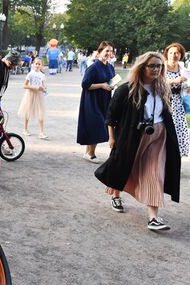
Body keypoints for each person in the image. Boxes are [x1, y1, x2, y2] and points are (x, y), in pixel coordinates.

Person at [95, 52, 181, 231]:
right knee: (125, 164)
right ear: (142, 67)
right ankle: (115, 195)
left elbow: (167, 112)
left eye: (159, 66)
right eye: (152, 66)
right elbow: (111, 117)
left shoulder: (162, 88)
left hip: (159, 135)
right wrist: (112, 138)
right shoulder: (126, 89)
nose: (156, 69)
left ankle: (153, 218)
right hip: (133, 135)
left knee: (155, 173)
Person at [77, 41, 116, 163]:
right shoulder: (93, 67)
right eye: (106, 51)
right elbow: (85, 84)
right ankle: (91, 153)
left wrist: (111, 85)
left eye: (111, 51)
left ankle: (88, 153)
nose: (109, 53)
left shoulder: (110, 67)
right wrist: (102, 85)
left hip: (104, 100)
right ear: (99, 52)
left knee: (98, 124)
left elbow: (111, 81)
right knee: (96, 125)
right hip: (92, 100)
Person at [164, 42, 189, 157]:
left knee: (179, 129)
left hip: (178, 102)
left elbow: (185, 81)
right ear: (167, 54)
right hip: (165, 101)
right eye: (171, 53)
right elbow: (157, 82)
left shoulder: (182, 66)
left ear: (181, 55)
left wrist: (187, 86)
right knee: (165, 129)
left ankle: (174, 156)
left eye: (176, 53)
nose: (173, 55)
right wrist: (174, 80)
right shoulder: (162, 66)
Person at [18, 57, 48, 139]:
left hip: (39, 95)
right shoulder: (30, 74)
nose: (37, 65)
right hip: (30, 94)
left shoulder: (42, 75)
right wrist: (34, 87)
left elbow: (43, 84)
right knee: (27, 112)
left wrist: (44, 88)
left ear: (42, 65)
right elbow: (25, 85)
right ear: (33, 64)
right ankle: (25, 129)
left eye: (39, 64)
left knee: (40, 113)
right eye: (36, 63)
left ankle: (41, 132)